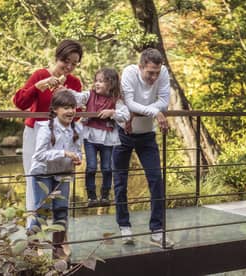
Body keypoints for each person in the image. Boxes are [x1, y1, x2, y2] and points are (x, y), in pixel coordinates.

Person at [13, 39, 83, 227]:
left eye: (74, 64)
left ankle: (59, 232)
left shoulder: (74, 83)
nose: (68, 67)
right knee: (34, 178)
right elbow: (20, 103)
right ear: (57, 57)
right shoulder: (39, 75)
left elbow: (77, 116)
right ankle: (33, 229)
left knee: (61, 180)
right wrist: (38, 87)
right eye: (65, 61)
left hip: (62, 136)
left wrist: (67, 98)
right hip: (36, 132)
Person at [113, 48, 173, 247]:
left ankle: (157, 230)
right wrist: (155, 113)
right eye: (150, 73)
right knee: (120, 182)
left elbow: (164, 102)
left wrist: (148, 111)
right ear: (140, 67)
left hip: (147, 136)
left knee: (156, 180)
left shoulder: (163, 73)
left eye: (157, 72)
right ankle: (124, 227)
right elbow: (129, 103)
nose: (154, 77)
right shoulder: (129, 73)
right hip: (123, 133)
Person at [28, 90, 82, 259]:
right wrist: (64, 153)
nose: (70, 111)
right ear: (55, 110)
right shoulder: (45, 128)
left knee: (61, 209)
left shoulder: (77, 128)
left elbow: (78, 151)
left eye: (72, 107)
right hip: (42, 173)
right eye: (66, 107)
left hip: (62, 173)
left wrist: (77, 158)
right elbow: (39, 155)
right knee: (42, 210)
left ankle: (57, 248)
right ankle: (32, 247)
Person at [67, 68, 130, 207]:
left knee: (107, 168)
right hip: (90, 137)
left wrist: (112, 112)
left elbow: (125, 115)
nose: (97, 84)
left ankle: (105, 195)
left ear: (111, 83)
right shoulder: (89, 95)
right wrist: (65, 90)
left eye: (101, 81)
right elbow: (76, 98)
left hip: (107, 139)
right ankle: (91, 196)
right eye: (96, 80)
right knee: (91, 167)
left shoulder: (116, 101)